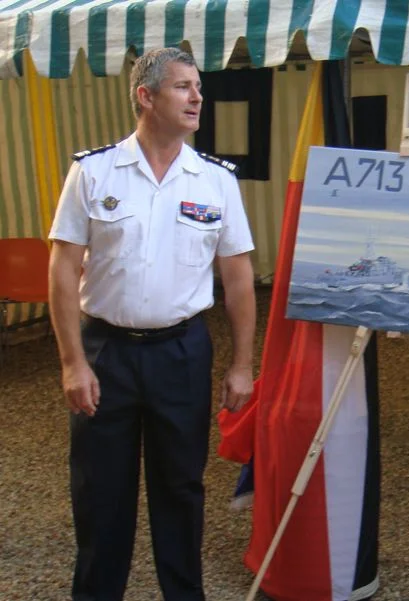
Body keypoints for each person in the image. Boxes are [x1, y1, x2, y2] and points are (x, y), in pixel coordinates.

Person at [48, 47, 256, 601]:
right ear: (146, 96)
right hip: (106, 353)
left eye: (199, 88)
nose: (197, 98)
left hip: (181, 352)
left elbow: (238, 276)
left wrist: (242, 365)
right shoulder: (92, 172)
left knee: (181, 489)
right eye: (183, 87)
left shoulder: (214, 181)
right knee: (100, 492)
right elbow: (63, 269)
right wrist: (73, 362)